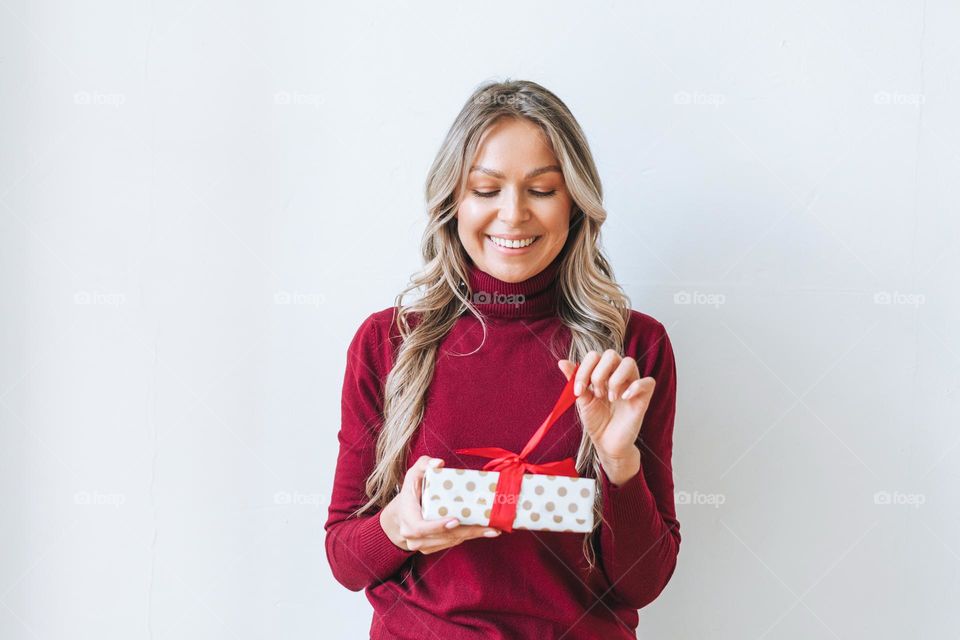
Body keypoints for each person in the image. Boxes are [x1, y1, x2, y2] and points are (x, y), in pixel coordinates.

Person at [324, 79, 681, 639]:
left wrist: (619, 463)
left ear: (575, 203)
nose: (512, 215)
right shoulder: (388, 342)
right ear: (452, 202)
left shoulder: (631, 350)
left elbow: (644, 583)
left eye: (541, 189)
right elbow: (345, 561)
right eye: (486, 189)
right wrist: (396, 526)